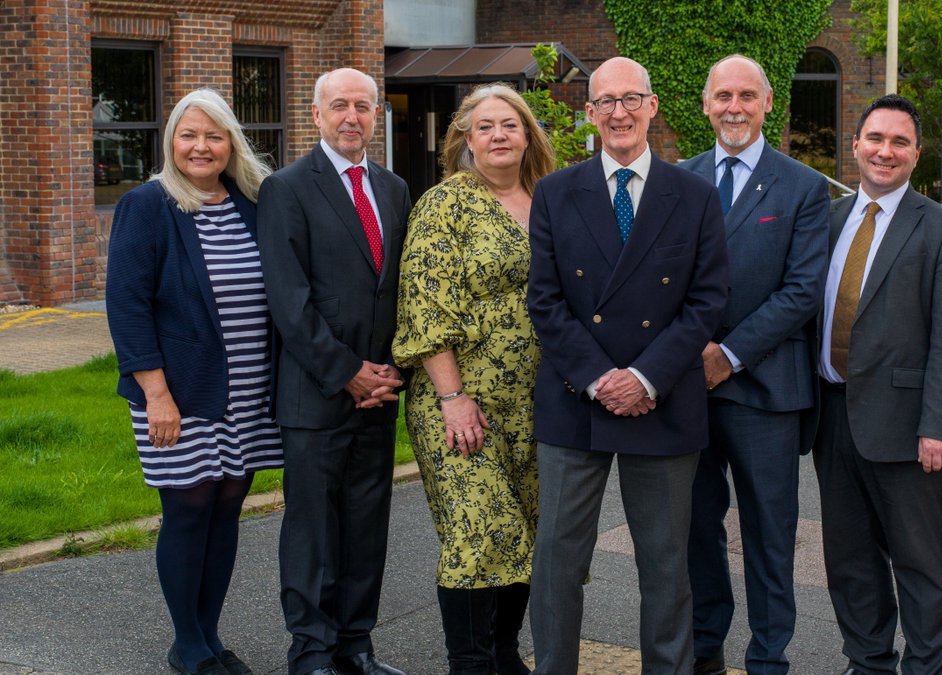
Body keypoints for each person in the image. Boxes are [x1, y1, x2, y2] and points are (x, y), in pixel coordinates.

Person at [525, 56, 729, 674]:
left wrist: (643, 377)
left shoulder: (693, 195)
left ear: (653, 106)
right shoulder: (557, 192)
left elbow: (707, 299)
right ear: (588, 113)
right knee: (558, 558)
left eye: (630, 99)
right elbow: (546, 299)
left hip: (662, 399)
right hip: (574, 397)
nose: (619, 112)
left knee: (666, 563)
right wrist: (599, 378)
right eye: (606, 101)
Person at [106, 88, 279, 675]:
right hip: (179, 391)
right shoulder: (149, 204)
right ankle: (187, 644)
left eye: (213, 135)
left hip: (249, 386)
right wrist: (156, 394)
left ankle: (209, 635)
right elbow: (127, 306)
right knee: (188, 507)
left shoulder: (253, 202)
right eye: (189, 135)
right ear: (171, 142)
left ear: (231, 142)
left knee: (228, 504)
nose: (201, 147)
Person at [392, 82, 555, 675]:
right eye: (484, 126)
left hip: (537, 404)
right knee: (479, 530)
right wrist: (453, 398)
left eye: (509, 124)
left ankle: (505, 654)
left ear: (528, 133)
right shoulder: (445, 204)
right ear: (464, 138)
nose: (498, 135)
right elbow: (426, 307)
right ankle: (471, 663)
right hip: (460, 402)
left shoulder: (549, 199)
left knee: (524, 534)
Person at [812, 94, 942, 675]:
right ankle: (868, 661)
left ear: (916, 153)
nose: (886, 151)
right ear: (855, 145)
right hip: (832, 418)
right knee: (849, 560)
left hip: (910, 428)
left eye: (899, 142)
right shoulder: (828, 219)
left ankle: (927, 668)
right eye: (876, 138)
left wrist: (940, 427)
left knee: (921, 563)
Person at [678, 54, 828, 675]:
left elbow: (802, 290)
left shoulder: (803, 186)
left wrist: (730, 354)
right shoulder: (679, 180)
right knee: (694, 528)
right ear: (707, 104)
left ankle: (769, 657)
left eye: (746, 95)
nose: (733, 106)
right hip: (686, 391)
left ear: (769, 103)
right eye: (722, 96)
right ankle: (705, 643)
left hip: (766, 389)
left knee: (770, 533)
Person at [258, 68, 411, 675]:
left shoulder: (395, 188)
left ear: (377, 116)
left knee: (367, 528)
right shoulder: (287, 188)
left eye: (364, 107)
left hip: (380, 393)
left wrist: (390, 372)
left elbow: (397, 290)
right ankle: (312, 653)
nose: (353, 116)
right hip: (316, 394)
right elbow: (289, 301)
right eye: (340, 106)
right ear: (316, 115)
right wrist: (347, 371)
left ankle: (356, 646)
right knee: (314, 531)